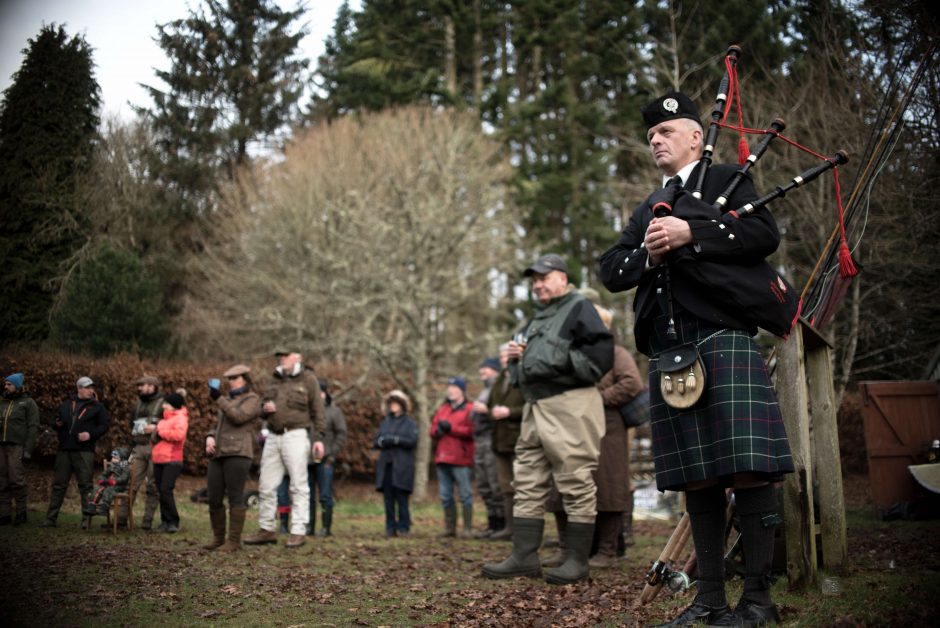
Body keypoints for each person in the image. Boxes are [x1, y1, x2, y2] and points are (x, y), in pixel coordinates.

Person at [599, 91, 794, 627]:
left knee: (749, 471)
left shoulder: (726, 181)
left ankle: (758, 602)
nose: (656, 141)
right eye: (650, 137)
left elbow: (762, 235)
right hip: (671, 352)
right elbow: (611, 268)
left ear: (694, 137)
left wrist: (694, 232)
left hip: (722, 338)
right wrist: (650, 252)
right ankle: (709, 600)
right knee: (698, 480)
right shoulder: (647, 206)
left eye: (665, 132)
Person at [482, 253, 614, 584]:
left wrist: (543, 357)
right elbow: (520, 372)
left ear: (563, 278)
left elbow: (600, 359)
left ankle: (578, 561)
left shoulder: (579, 308)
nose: (538, 284)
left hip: (570, 403)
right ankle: (524, 556)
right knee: (526, 480)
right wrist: (514, 359)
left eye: (544, 277)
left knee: (575, 478)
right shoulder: (535, 319)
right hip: (534, 405)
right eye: (534, 280)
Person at [244, 349, 325, 549]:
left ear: (297, 356)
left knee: (298, 485)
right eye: (280, 356)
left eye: (286, 355)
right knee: (266, 485)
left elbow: (318, 411)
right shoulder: (274, 379)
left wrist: (318, 439)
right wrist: (265, 409)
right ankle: (267, 529)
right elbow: (261, 408)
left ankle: (298, 531)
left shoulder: (308, 379)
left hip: (296, 436)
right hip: (273, 436)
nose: (282, 359)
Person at [590, 305, 644, 568]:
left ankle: (608, 550)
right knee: (581, 486)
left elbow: (633, 383)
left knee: (610, 486)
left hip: (610, 427)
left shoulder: (616, 353)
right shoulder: (578, 353)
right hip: (580, 427)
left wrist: (598, 398)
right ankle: (581, 548)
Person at [204, 364, 262, 551]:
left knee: (235, 498)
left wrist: (219, 398)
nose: (231, 382)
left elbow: (238, 417)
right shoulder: (227, 400)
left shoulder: (252, 399)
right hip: (219, 453)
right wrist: (210, 436)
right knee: (214, 498)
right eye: (229, 379)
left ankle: (234, 541)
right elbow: (218, 424)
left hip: (239, 453)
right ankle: (218, 538)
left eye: (235, 378)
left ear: (245, 379)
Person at [42, 376, 111, 527]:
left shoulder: (97, 407)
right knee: (59, 485)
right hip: (64, 449)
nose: (91, 390)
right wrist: (57, 424)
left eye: (92, 387)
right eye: (87, 387)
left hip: (84, 451)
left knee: (85, 486)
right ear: (79, 388)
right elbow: (55, 421)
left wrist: (90, 434)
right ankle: (50, 519)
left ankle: (86, 521)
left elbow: (105, 425)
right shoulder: (66, 404)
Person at [486, 345, 525, 542]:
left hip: (519, 438)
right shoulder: (500, 378)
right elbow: (490, 402)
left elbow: (531, 403)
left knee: (523, 486)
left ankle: (523, 530)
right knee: (506, 486)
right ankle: (509, 528)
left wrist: (510, 412)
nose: (503, 359)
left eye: (505, 355)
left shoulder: (525, 373)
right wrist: (492, 410)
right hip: (500, 439)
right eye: (500, 356)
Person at [429, 376, 475, 539]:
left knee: (465, 494)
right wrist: (437, 431)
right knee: (446, 495)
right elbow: (433, 427)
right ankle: (450, 528)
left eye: (454, 388)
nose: (451, 390)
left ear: (462, 391)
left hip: (461, 458)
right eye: (449, 387)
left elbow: (472, 431)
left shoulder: (470, 408)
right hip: (442, 457)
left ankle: (467, 529)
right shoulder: (443, 409)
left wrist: (452, 428)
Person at [374, 389, 419, 537]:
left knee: (402, 497)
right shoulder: (385, 422)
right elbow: (377, 440)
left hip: (402, 465)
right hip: (387, 464)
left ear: (402, 405)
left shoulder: (410, 423)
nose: (393, 406)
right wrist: (382, 441)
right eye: (391, 403)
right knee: (388, 498)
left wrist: (396, 440)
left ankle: (404, 527)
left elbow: (412, 441)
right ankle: (390, 526)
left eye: (396, 403)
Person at [470, 357, 505, 538]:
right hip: (480, 440)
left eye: (486, 369)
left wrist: (486, 410)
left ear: (495, 370)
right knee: (483, 485)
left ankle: (503, 525)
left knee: (495, 483)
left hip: (492, 439)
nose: (481, 373)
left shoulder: (500, 388)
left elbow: (503, 412)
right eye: (480, 370)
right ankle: (492, 524)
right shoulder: (484, 390)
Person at [0, 372, 39, 526]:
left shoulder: (28, 403)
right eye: (5, 384)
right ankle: (4, 515)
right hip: (1, 445)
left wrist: (28, 448)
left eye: (9, 384)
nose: (6, 386)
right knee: (1, 481)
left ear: (17, 386)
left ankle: (21, 513)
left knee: (16, 479)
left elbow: (33, 426)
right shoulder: (1, 401)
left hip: (17, 446)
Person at [146, 391, 189, 533]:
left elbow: (178, 435)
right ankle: (165, 522)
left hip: (172, 460)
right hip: (158, 459)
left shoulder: (181, 418)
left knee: (165, 490)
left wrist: (159, 431)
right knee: (161, 491)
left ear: (174, 405)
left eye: (166, 403)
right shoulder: (164, 420)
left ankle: (173, 522)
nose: (163, 405)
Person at [126, 375, 164, 530]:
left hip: (156, 447)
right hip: (138, 446)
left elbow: (172, 423)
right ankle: (121, 520)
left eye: (144, 385)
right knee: (130, 484)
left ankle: (147, 522)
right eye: (139, 386)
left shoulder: (163, 404)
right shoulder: (136, 404)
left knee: (153, 487)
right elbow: (130, 423)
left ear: (154, 386)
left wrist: (156, 427)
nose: (140, 388)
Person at [83, 448, 131, 516]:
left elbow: (124, 478)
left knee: (109, 490)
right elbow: (103, 474)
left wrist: (115, 481)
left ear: (122, 459)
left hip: (118, 486)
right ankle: (92, 506)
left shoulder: (125, 468)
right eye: (112, 458)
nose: (113, 460)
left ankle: (104, 507)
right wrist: (102, 480)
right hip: (108, 483)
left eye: (115, 458)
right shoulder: (112, 466)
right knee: (97, 488)